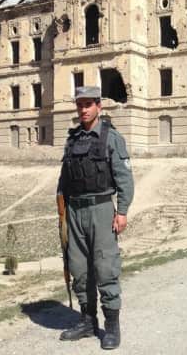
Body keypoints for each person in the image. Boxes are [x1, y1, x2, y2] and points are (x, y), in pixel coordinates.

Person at [57, 86, 134, 350]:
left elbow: (124, 178)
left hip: (101, 209)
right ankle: (88, 321)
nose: (83, 109)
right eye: (80, 105)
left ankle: (111, 326)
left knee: (105, 268)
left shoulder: (111, 137)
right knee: (79, 269)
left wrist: (122, 211)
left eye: (88, 104)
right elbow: (65, 177)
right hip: (74, 211)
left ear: (99, 106)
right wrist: (61, 210)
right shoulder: (72, 139)